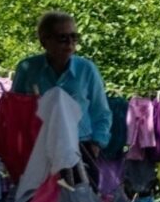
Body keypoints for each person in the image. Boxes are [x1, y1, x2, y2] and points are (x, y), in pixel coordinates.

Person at [13, 11, 110, 162]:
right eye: (63, 38)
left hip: (81, 146)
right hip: (38, 147)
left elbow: (101, 111)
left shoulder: (87, 69)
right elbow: (16, 110)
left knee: (82, 186)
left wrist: (97, 142)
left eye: (74, 37)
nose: (70, 43)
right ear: (45, 41)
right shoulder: (28, 68)